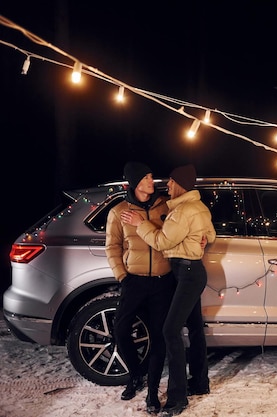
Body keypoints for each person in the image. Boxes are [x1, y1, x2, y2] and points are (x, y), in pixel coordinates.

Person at [121, 163, 215, 417]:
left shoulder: (184, 210)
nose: (167, 185)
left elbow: (162, 242)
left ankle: (177, 398)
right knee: (194, 328)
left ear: (180, 184)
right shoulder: (195, 207)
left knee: (170, 331)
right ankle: (199, 382)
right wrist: (201, 239)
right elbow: (212, 234)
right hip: (188, 273)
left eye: (171, 182)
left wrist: (141, 223)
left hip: (186, 275)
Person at [105, 162, 175, 415]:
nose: (151, 181)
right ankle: (135, 374)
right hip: (133, 281)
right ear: (135, 183)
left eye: (151, 176)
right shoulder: (119, 212)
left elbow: (177, 232)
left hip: (162, 281)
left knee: (159, 337)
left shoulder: (165, 206)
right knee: (120, 330)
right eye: (146, 177)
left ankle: (153, 392)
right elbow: (112, 247)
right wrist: (122, 276)